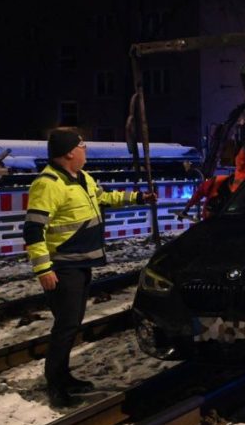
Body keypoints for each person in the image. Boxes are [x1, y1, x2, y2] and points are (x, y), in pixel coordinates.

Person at [23, 128, 157, 407]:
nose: (86, 151)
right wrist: (43, 270)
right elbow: (33, 231)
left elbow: (104, 198)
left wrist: (137, 198)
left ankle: (63, 376)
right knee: (66, 325)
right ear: (70, 152)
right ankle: (56, 383)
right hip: (63, 266)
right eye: (82, 146)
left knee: (71, 325)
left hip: (81, 262)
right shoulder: (48, 184)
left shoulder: (82, 178)